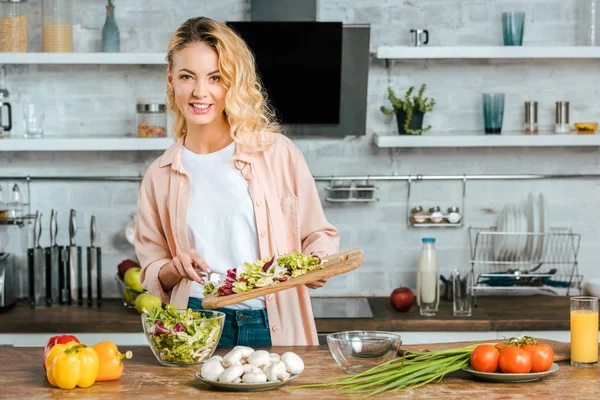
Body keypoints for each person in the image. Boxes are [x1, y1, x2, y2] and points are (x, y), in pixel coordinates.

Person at [134, 16, 339, 347]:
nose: (201, 92)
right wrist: (175, 267)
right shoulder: (159, 176)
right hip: (196, 322)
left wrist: (317, 261)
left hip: (270, 321)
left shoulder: (277, 154)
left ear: (232, 83)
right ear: (171, 81)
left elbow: (318, 233)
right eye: (188, 77)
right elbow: (152, 271)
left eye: (215, 78)